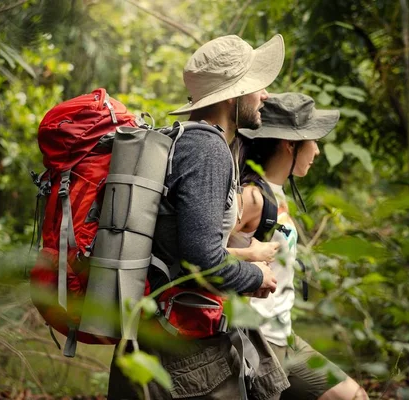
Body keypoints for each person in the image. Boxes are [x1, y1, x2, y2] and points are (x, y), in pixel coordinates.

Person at [108, 34, 291, 399]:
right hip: (186, 356)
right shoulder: (207, 149)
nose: (265, 95)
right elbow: (201, 261)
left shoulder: (186, 140)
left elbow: (183, 245)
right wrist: (255, 274)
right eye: (256, 86)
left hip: (163, 336)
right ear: (233, 95)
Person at [229, 93, 369, 400]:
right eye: (313, 140)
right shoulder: (251, 197)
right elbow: (200, 251)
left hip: (285, 337)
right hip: (258, 343)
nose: (317, 150)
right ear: (289, 144)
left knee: (354, 396)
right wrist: (250, 255)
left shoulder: (274, 193)